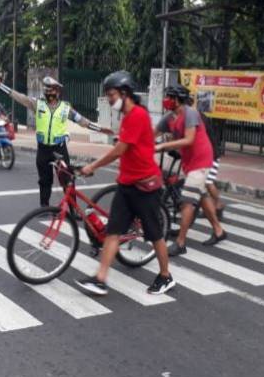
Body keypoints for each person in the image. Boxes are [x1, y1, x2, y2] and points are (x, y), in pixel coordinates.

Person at [75, 71, 175, 296]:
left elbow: (120, 150)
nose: (109, 99)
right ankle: (100, 279)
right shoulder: (126, 117)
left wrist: (93, 166)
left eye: (111, 94)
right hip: (127, 185)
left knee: (154, 234)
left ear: (125, 93)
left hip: (145, 187)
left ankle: (166, 276)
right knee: (113, 232)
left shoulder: (138, 115)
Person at [0, 72, 112, 207]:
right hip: (43, 149)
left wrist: (101, 129)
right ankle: (44, 207)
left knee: (66, 179)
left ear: (58, 92)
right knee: (45, 180)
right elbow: (18, 97)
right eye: (46, 90)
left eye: (52, 90)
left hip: (59, 149)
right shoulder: (37, 104)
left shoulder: (65, 108)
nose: (49, 92)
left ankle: (73, 209)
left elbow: (83, 121)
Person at [155, 85, 226, 256]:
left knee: (187, 201)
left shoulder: (190, 113)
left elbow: (189, 139)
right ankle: (219, 231)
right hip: (189, 162)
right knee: (201, 196)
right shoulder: (169, 118)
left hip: (202, 161)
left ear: (178, 99)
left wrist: (163, 146)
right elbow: (151, 133)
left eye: (170, 97)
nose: (167, 100)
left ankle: (180, 243)